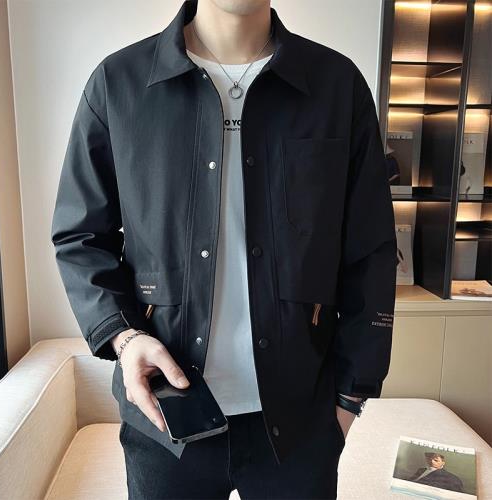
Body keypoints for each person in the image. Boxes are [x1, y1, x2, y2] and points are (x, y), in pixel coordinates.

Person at [51, 0, 398, 498]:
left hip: (301, 425)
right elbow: (80, 237)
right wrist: (124, 338)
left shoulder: (336, 86)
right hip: (166, 419)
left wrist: (349, 399)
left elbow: (371, 250)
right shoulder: (119, 84)